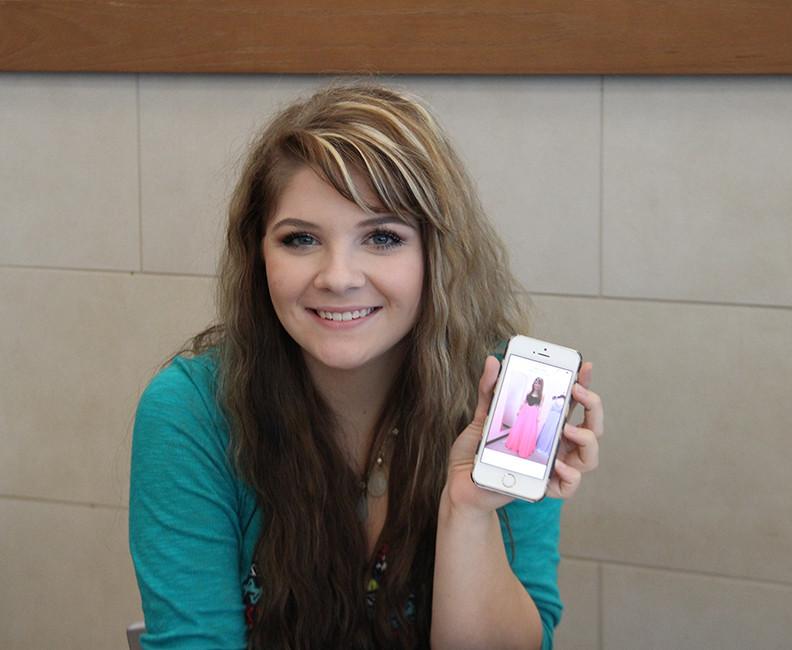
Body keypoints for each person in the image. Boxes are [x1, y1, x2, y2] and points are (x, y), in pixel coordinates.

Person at [129, 81, 603, 650]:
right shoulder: (190, 411)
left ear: (437, 255)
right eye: (300, 239)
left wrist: (470, 511)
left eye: (381, 236)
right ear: (259, 257)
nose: (337, 276)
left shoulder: (504, 399)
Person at [504, 377, 544, 459]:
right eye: (535, 383)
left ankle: (523, 448)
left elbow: (540, 407)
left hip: (533, 414)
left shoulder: (542, 396)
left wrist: (538, 417)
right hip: (524, 412)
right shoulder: (529, 392)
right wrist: (519, 410)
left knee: (528, 431)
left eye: (538, 383)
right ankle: (516, 445)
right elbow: (524, 402)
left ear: (541, 385)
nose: (536, 384)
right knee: (519, 428)